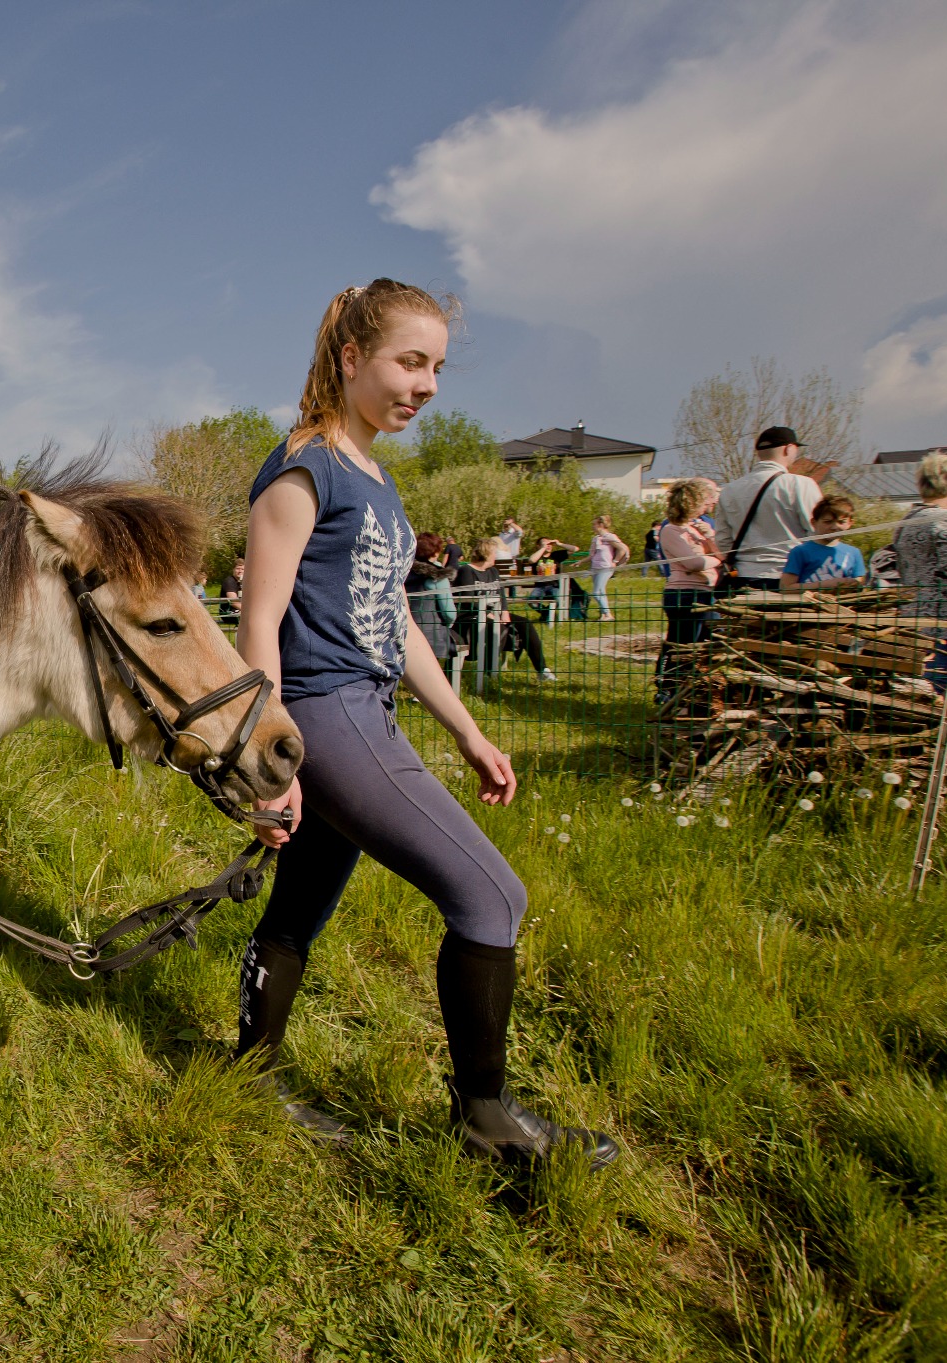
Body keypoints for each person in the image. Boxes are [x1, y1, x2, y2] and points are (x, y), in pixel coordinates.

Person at [235, 278, 617, 1167]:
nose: (429, 384)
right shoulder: (306, 468)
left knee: (299, 910)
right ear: (350, 359)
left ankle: (247, 1077)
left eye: (437, 367)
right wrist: (271, 762)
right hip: (323, 713)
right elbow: (259, 623)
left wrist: (465, 729)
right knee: (493, 896)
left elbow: (396, 620)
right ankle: (487, 1124)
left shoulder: (379, 480)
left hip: (369, 706)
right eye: (411, 361)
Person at [893, 453, 947, 696]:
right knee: (937, 692)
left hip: (911, 616)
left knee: (911, 690)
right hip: (943, 623)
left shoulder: (908, 520)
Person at [711, 426, 823, 592]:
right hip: (789, 577)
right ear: (789, 449)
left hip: (742, 578)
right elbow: (819, 532)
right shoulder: (800, 484)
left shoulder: (729, 490)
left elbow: (723, 540)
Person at [656, 478, 723, 704]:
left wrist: (711, 539)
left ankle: (696, 694)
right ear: (691, 502)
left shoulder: (699, 529)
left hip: (706, 592)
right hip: (684, 594)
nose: (709, 505)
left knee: (706, 644)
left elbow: (724, 556)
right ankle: (668, 690)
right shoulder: (671, 530)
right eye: (705, 501)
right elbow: (693, 564)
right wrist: (716, 560)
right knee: (682, 645)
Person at [453, 539, 554, 680]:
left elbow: (501, 595)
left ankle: (542, 669)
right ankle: (488, 674)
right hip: (470, 616)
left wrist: (504, 612)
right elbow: (468, 600)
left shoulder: (493, 571)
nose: (496, 556)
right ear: (486, 553)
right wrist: (490, 615)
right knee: (497, 628)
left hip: (494, 614)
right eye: (494, 553)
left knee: (525, 624)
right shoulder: (466, 571)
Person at [779, 495, 868, 593]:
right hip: (807, 606)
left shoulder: (853, 553)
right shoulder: (800, 551)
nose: (834, 527)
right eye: (827, 522)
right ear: (814, 522)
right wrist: (825, 585)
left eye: (841, 522)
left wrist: (852, 584)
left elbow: (860, 585)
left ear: (850, 523)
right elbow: (785, 588)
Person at [406, 532, 459, 667]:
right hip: (432, 637)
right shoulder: (438, 576)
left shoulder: (403, 572)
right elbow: (449, 613)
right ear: (436, 552)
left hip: (402, 633)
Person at [583, 515, 630, 621]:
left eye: (594, 524)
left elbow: (622, 549)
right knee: (601, 592)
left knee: (596, 592)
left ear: (601, 525)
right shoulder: (596, 539)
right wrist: (580, 562)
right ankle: (604, 615)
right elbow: (591, 555)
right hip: (595, 567)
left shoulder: (609, 537)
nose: (593, 527)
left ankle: (608, 614)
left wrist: (615, 561)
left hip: (606, 567)